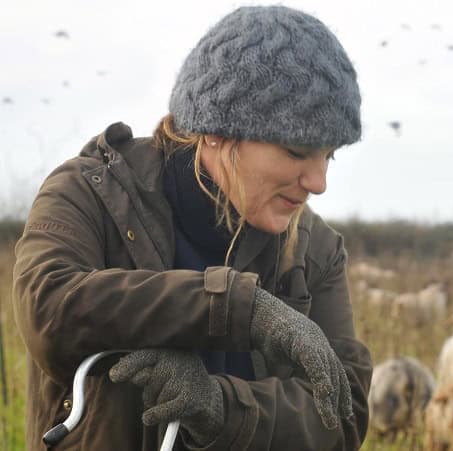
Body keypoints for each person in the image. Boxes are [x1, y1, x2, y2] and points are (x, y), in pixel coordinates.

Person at [12, 5, 372, 450]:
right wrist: (239, 308)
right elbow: (49, 312)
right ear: (217, 131)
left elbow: (344, 413)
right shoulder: (90, 192)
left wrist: (220, 409)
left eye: (329, 156)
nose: (318, 182)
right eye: (298, 151)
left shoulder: (314, 249)